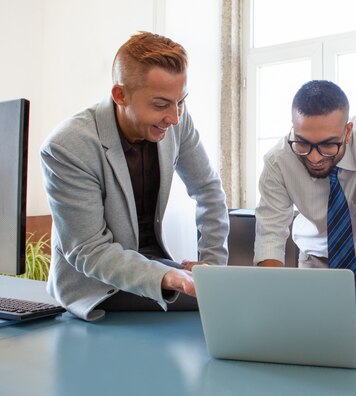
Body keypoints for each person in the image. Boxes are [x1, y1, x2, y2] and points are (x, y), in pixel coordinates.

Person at [40, 32, 229, 321]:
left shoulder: (177, 118)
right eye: (161, 104)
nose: (175, 117)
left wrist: (212, 267)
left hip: (153, 265)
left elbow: (208, 190)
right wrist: (170, 277)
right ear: (120, 95)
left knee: (229, 293)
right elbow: (89, 250)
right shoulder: (66, 147)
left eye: (181, 102)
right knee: (233, 304)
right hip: (96, 284)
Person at [254, 80, 356, 354]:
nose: (314, 157)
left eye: (327, 145)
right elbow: (270, 236)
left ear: (347, 131)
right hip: (313, 263)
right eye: (303, 143)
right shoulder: (277, 161)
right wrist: (274, 308)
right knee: (308, 349)